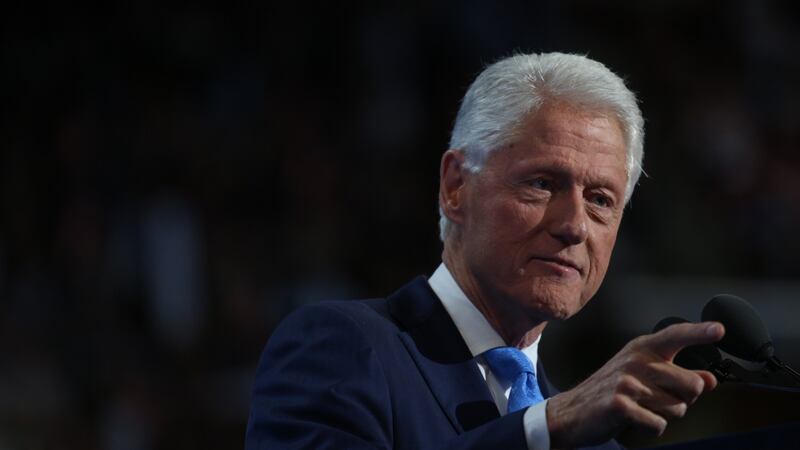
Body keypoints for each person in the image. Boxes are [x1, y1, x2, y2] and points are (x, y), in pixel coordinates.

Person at [244, 52, 726, 450]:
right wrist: (541, 429)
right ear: (456, 186)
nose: (575, 226)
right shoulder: (342, 348)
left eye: (601, 200)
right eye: (542, 184)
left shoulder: (593, 441)